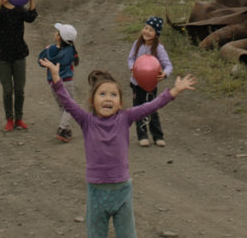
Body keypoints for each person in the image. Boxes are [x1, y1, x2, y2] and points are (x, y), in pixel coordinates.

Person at [38, 57, 196, 238]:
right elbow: (67, 102)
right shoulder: (86, 121)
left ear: (120, 103)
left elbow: (150, 106)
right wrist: (57, 78)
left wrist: (174, 91)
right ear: (92, 100)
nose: (108, 98)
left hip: (122, 191)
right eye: (102, 94)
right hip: (96, 191)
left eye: (114, 95)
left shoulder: (125, 118)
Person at [0, 0, 37, 131]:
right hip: (2, 56)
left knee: (20, 90)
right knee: (7, 90)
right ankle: (9, 119)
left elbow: (31, 16)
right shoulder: (0, 10)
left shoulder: (19, 10)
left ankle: (19, 119)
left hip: (19, 54)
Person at [127, 16, 174, 147]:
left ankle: (158, 136)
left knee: (152, 108)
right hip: (136, 84)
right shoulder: (137, 44)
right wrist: (133, 67)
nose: (147, 32)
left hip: (151, 85)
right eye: (146, 28)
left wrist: (165, 74)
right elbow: (130, 59)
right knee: (138, 109)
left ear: (156, 34)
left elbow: (168, 65)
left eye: (151, 30)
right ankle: (142, 136)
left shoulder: (159, 48)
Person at [37, 22, 79, 142]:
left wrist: (46, 50)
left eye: (57, 32)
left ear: (59, 37)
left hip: (53, 83)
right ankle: (62, 128)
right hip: (66, 82)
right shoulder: (71, 50)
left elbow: (40, 61)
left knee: (63, 106)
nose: (55, 33)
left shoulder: (51, 49)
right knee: (70, 106)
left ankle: (66, 131)